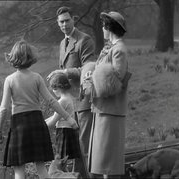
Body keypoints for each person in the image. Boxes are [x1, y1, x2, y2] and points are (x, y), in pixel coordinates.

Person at [0, 40, 78, 179]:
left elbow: (4, 108)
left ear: (13, 58)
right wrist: (69, 118)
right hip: (36, 123)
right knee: (41, 169)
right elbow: (51, 101)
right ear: (30, 58)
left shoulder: (9, 80)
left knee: (19, 171)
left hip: (19, 127)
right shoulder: (36, 77)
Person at [47, 6, 96, 178]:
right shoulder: (63, 43)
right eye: (61, 21)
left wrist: (64, 72)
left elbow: (90, 69)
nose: (65, 24)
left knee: (84, 146)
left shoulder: (85, 40)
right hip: (68, 104)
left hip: (82, 101)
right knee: (74, 150)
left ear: (73, 19)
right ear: (58, 24)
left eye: (67, 20)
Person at [85, 11, 130, 179]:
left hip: (111, 111)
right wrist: (93, 75)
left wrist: (95, 76)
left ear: (109, 28)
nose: (102, 28)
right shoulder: (111, 48)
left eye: (104, 25)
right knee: (102, 161)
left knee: (109, 163)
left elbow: (117, 81)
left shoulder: (119, 50)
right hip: (104, 109)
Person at [45, 72, 81, 167]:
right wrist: (43, 121)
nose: (53, 91)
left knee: (61, 161)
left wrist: (39, 126)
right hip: (70, 131)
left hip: (63, 132)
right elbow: (55, 117)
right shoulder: (70, 98)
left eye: (54, 88)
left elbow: (53, 121)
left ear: (59, 87)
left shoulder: (62, 101)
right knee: (70, 160)